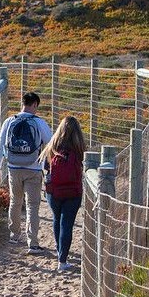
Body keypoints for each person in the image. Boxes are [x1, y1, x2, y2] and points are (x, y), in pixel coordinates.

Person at [0, 91, 53, 254]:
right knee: (33, 206)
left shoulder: (9, 121)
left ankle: (14, 234)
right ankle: (32, 243)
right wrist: (49, 165)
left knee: (15, 201)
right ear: (34, 105)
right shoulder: (39, 122)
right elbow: (51, 143)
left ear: (22, 103)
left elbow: (0, 146)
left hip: (13, 168)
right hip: (33, 169)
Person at [40, 116, 86, 271]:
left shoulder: (52, 146)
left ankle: (60, 252)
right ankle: (62, 260)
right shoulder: (79, 148)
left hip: (54, 191)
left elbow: (45, 167)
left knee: (57, 219)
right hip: (73, 191)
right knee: (67, 224)